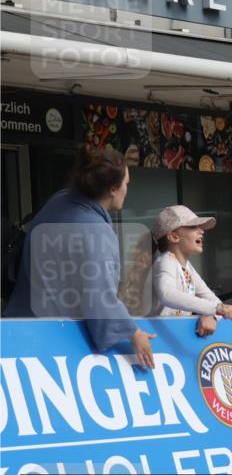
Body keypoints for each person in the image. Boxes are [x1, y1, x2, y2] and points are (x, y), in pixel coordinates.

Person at [5, 145, 156, 368]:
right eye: (126, 184)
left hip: (14, 331)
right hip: (51, 346)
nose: (127, 189)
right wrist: (134, 333)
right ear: (113, 189)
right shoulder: (96, 231)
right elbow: (99, 300)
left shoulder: (58, 201)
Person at [123, 206, 232, 337]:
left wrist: (212, 315)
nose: (201, 231)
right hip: (155, 341)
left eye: (200, 227)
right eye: (193, 227)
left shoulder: (187, 266)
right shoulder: (165, 261)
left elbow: (212, 299)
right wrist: (217, 309)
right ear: (174, 237)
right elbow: (167, 294)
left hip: (168, 338)